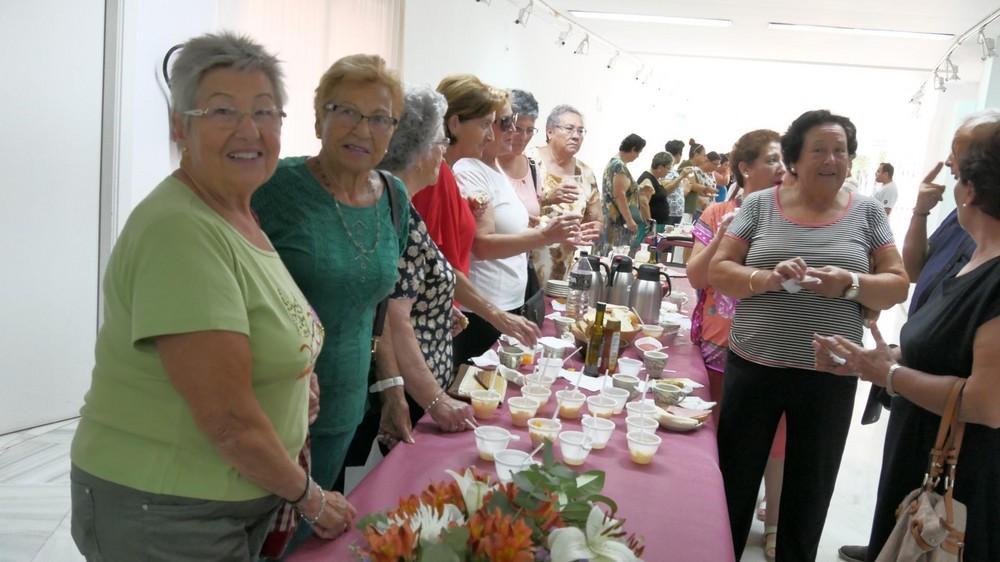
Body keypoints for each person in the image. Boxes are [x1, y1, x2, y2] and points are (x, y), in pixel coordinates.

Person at [69, 32, 350, 560]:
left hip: (224, 500)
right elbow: (228, 420)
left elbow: (265, 325)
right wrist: (310, 498)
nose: (249, 130)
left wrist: (295, 376)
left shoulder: (237, 212)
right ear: (180, 126)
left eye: (264, 111)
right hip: (165, 509)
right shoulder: (180, 231)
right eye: (223, 111)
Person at [709, 109, 909, 561]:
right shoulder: (760, 205)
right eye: (819, 149)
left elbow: (897, 283)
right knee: (734, 482)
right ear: (794, 159)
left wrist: (850, 284)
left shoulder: (868, 212)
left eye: (841, 150)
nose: (832, 159)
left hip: (830, 374)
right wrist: (767, 278)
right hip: (755, 365)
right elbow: (720, 270)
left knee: (809, 495)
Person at [816, 121, 1000, 562]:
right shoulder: (975, 255)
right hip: (924, 441)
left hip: (965, 466)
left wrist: (891, 374)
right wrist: (874, 362)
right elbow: (948, 352)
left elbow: (987, 402)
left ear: (969, 190)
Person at [251, 53, 412, 552]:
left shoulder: (394, 196)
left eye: (379, 117)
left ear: (393, 130)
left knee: (306, 542)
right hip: (271, 410)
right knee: (257, 541)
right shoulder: (275, 187)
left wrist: (391, 388)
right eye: (346, 111)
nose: (362, 129)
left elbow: (378, 308)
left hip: (344, 404)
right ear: (319, 115)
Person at [377, 87, 539, 436]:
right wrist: (430, 399)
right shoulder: (401, 201)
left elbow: (427, 269)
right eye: (488, 123)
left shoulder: (409, 199)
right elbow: (393, 311)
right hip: (413, 375)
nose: (443, 149)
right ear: (419, 148)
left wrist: (440, 303)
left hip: (426, 364)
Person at [688, 129, 786, 560]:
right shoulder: (717, 212)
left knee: (777, 439)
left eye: (784, 160)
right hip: (718, 339)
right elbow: (696, 277)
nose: (782, 168)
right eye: (772, 160)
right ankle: (712, 513)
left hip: (769, 343)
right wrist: (722, 238)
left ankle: (775, 522)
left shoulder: (789, 217)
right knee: (717, 433)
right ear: (745, 168)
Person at [453, 92, 584, 367]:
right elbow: (482, 245)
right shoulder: (469, 169)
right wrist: (545, 235)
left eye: (522, 127)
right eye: (506, 123)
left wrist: (552, 232)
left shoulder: (496, 169)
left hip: (508, 300)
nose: (513, 131)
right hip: (482, 306)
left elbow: (515, 228)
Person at [531, 105, 603, 282]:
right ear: (550, 132)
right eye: (569, 129)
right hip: (526, 262)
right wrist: (547, 199)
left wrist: (593, 230)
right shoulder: (530, 162)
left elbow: (596, 219)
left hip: (562, 270)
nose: (576, 136)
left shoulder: (585, 173)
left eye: (580, 131)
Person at [497, 89, 542, 221]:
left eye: (530, 130)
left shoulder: (532, 167)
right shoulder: (486, 164)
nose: (524, 137)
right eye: (518, 129)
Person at [602, 133, 647, 251]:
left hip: (610, 219)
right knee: (616, 255)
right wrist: (630, 220)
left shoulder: (613, 163)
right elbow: (619, 195)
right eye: (638, 152)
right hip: (617, 222)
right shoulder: (619, 166)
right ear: (633, 149)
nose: (638, 156)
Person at [635, 151, 675, 228]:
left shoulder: (656, 178)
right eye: (668, 168)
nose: (669, 171)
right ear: (660, 167)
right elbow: (643, 204)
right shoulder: (647, 180)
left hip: (661, 223)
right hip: (653, 225)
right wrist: (650, 225)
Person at [663, 139, 688, 226]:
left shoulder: (673, 170)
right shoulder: (667, 170)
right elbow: (665, 190)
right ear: (678, 154)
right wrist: (681, 177)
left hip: (676, 212)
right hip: (670, 212)